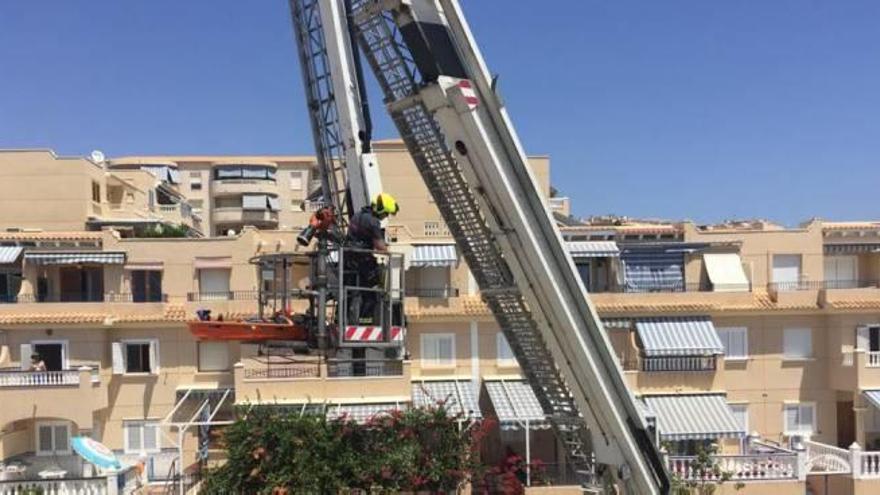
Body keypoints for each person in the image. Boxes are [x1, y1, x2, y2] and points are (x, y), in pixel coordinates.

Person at [344, 193, 399, 323]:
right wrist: (389, 250)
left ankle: (342, 318)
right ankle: (365, 321)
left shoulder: (357, 216)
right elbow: (379, 245)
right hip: (362, 261)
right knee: (372, 292)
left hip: (348, 260)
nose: (385, 216)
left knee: (348, 292)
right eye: (386, 213)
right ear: (380, 209)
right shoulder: (373, 222)